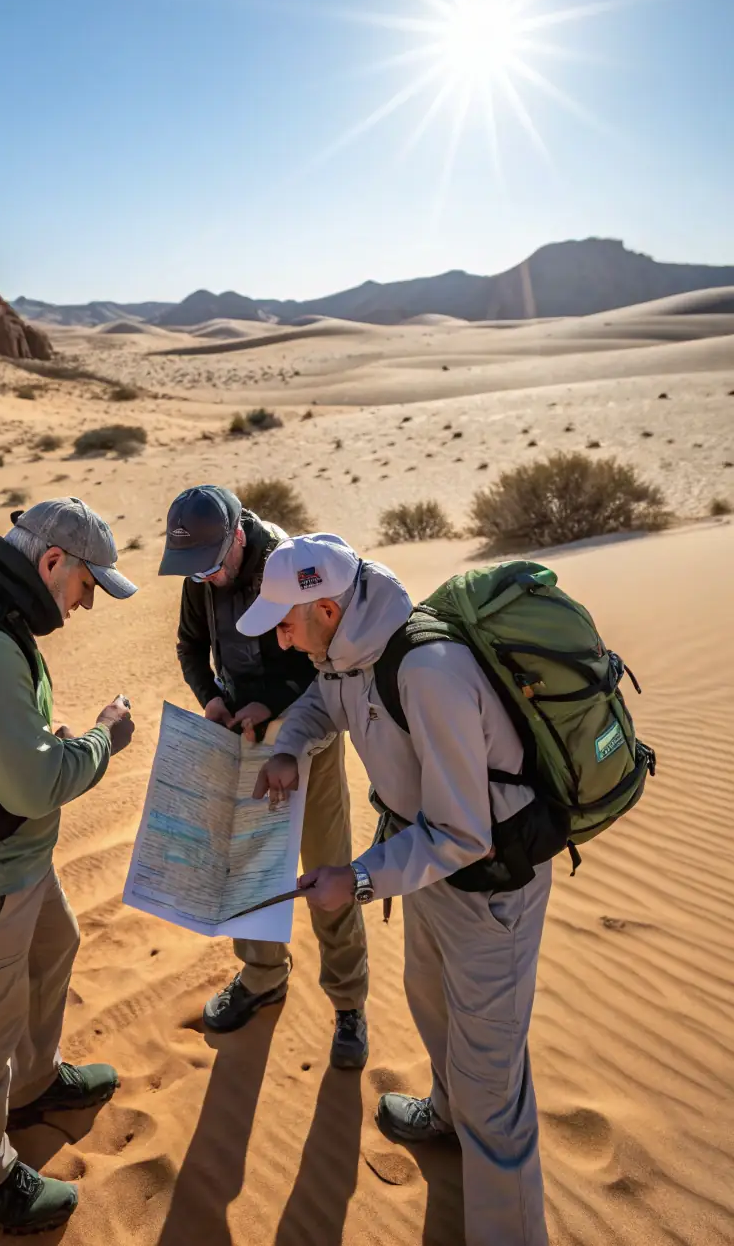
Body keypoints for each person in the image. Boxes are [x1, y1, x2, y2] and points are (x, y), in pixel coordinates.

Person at [238, 532, 551, 1246]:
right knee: (431, 1005)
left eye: (286, 622)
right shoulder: (344, 652)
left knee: (492, 1088)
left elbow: (466, 832)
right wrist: (289, 748)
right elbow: (323, 704)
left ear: (323, 607)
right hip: (427, 869)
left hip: (490, 888)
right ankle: (445, 1115)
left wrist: (358, 878)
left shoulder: (428, 670)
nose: (282, 641)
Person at [0, 499, 138, 1235]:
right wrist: (103, 738)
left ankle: (35, 1083)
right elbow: (34, 784)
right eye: (86, 585)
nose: (86, 602)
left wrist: (48, 742)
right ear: (50, 564)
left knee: (56, 946)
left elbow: (9, 753)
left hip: (14, 864)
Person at [158, 486, 369, 1068]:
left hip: (309, 739)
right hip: (241, 741)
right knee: (245, 866)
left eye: (213, 567)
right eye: (195, 572)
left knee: (327, 867)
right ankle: (261, 975)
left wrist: (272, 708)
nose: (206, 579)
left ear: (239, 539)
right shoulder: (200, 576)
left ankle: (349, 1001)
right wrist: (213, 701)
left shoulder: (289, 567)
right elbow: (189, 644)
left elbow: (319, 664)